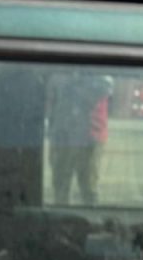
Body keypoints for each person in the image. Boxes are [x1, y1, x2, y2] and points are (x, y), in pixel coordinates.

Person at [48, 73, 113, 205]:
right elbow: (51, 99)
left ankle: (91, 216)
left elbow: (101, 90)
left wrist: (74, 83)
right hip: (62, 134)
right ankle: (60, 214)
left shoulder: (99, 72)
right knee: (60, 184)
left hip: (89, 134)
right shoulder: (58, 72)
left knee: (88, 184)